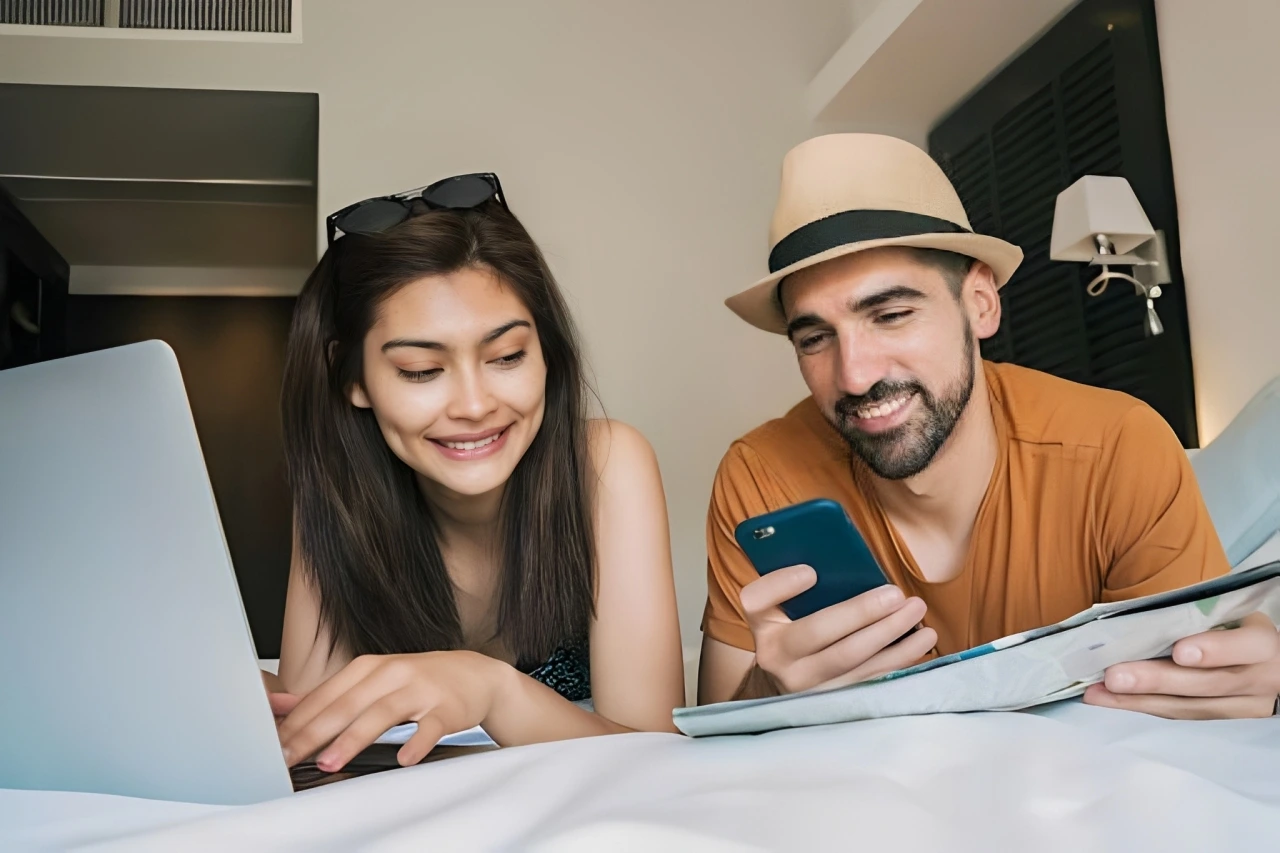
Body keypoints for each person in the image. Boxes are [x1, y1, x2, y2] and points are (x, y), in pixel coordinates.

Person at [697, 135, 1280, 719]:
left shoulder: (1118, 448)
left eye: (892, 315)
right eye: (816, 338)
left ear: (980, 303)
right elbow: (717, 725)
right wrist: (771, 694)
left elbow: (1196, 713)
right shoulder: (759, 477)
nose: (853, 376)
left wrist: (1251, 693)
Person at [263, 173, 684, 774]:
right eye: (419, 370)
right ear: (350, 377)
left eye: (507, 357)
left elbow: (656, 757)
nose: (474, 404)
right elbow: (311, 750)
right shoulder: (338, 494)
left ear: (546, 351)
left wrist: (494, 692)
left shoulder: (608, 465)